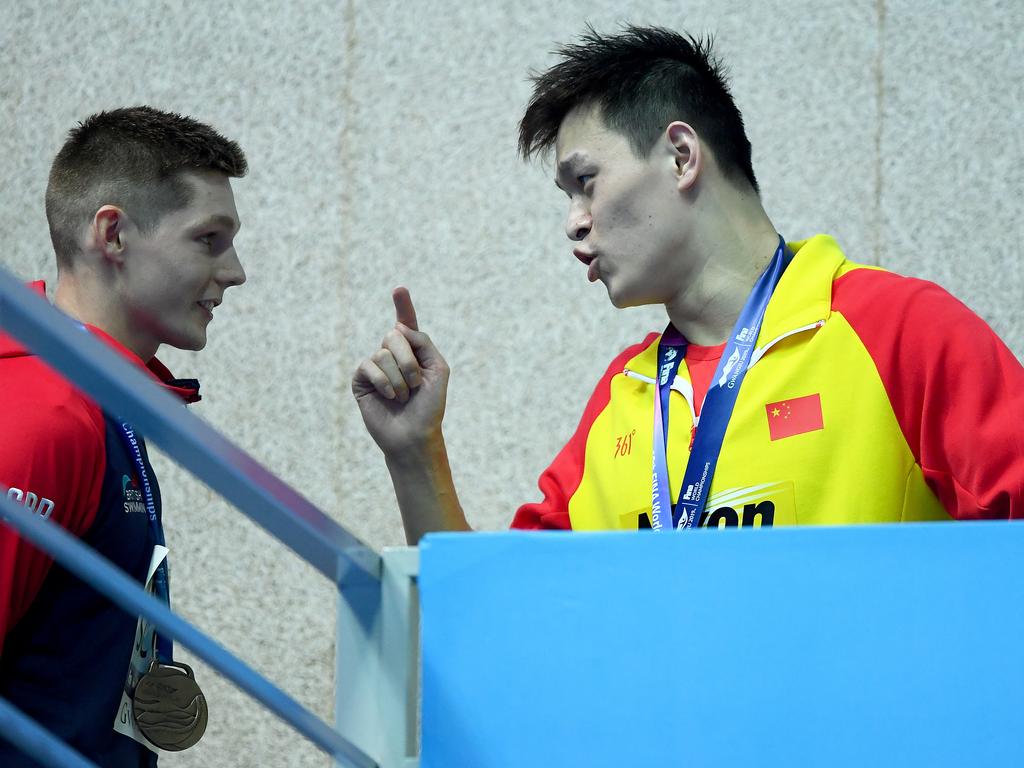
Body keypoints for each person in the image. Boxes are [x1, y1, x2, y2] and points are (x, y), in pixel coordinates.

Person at [352, 25, 1024, 544]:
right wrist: (416, 454)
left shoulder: (898, 330)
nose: (574, 224)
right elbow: (505, 625)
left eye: (585, 183)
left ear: (680, 156)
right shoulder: (625, 397)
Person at [0, 106, 247, 766]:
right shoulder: (45, 412)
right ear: (112, 234)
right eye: (209, 239)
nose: (235, 271)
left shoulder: (95, 400)